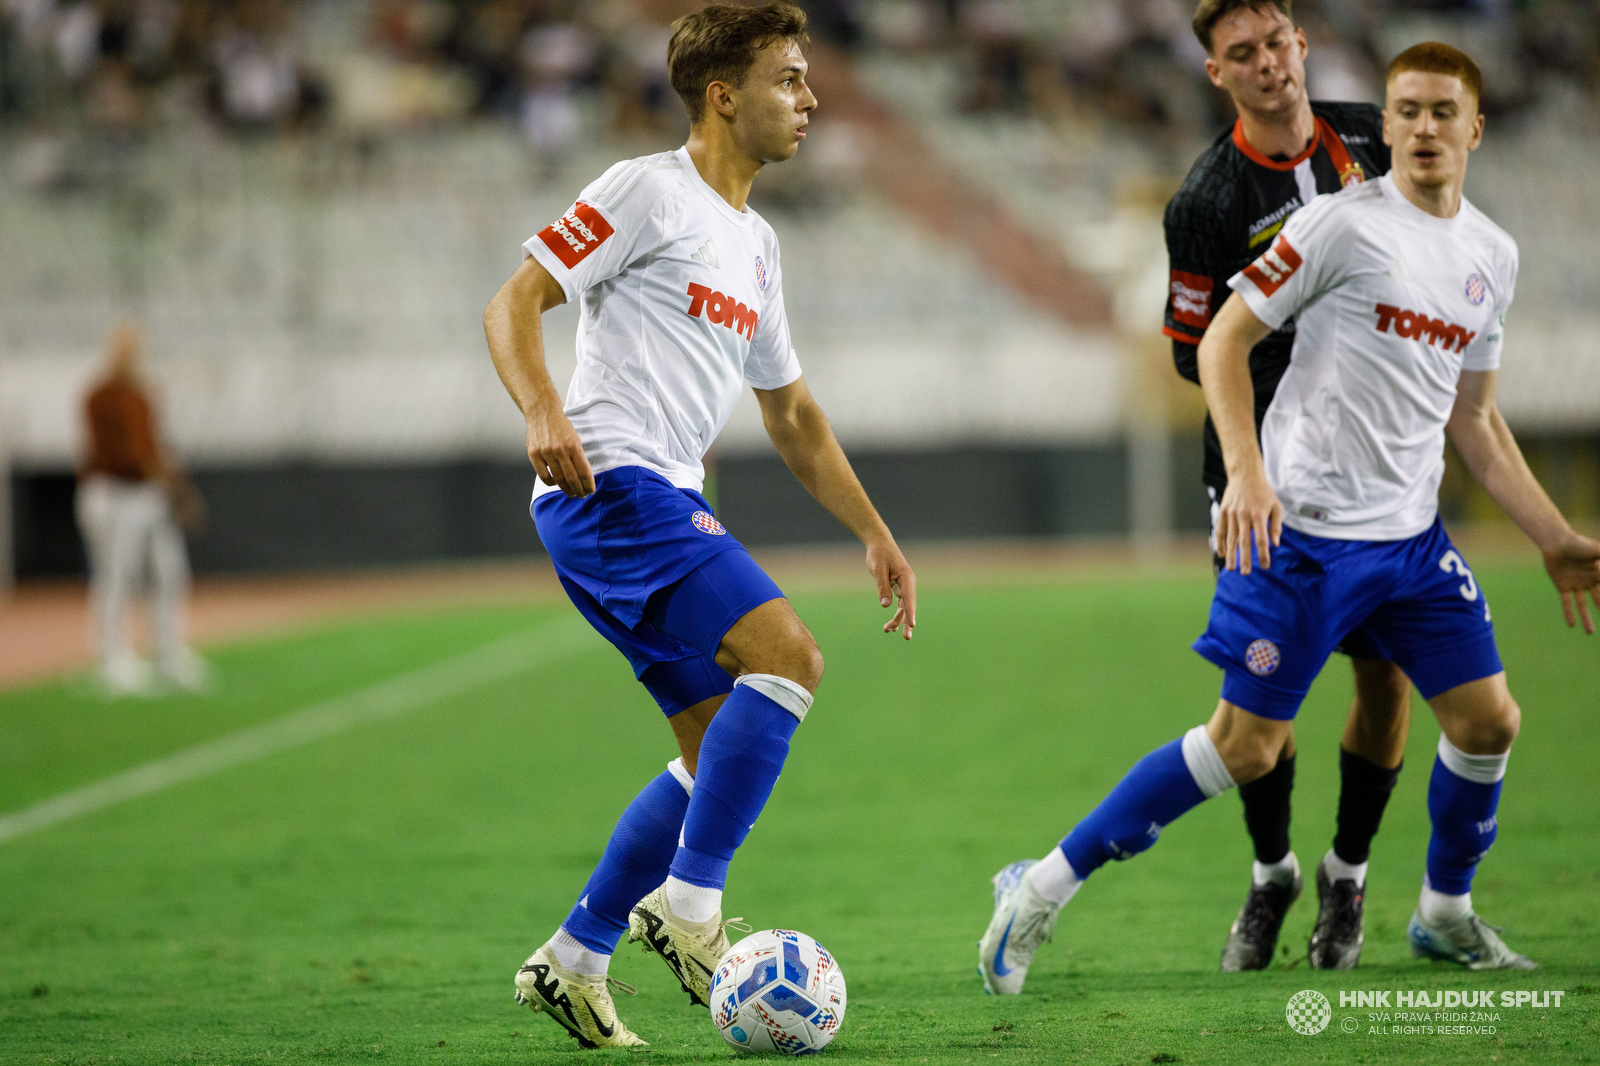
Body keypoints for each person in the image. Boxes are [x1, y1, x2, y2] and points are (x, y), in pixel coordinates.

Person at [979, 42, 1600, 993]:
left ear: (1477, 127)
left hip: (1410, 541)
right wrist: (1248, 474)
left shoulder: (1493, 256)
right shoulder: (1339, 226)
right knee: (1246, 745)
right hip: (1301, 534)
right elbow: (1226, 339)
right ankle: (1041, 886)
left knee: (1488, 721)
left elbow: (1473, 420)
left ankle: (1443, 912)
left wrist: (1552, 534)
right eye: (1407, 111)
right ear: (1383, 127)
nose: (1425, 128)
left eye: (1444, 112)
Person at [483, 2, 916, 1048]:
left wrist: (874, 530)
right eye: (788, 80)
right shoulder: (646, 189)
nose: (809, 99)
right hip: (612, 486)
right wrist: (542, 409)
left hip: (654, 498)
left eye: (808, 80)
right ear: (723, 95)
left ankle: (575, 956)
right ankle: (688, 910)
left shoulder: (757, 246)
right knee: (790, 658)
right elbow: (514, 300)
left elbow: (793, 414)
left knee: (713, 740)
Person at [1161, 0, 1401, 971]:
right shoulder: (1206, 201)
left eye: (1275, 45)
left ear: (1301, 43)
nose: (1267, 66)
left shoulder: (1374, 140)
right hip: (1258, 480)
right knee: (1262, 701)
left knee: (1384, 674)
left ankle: (1347, 875)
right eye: (1240, 55)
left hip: (1374, 471)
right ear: (1216, 74)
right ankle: (1271, 873)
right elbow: (1188, 352)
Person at [76, 322, 207, 694]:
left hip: (145, 494)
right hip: (113, 492)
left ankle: (168, 652)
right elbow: (126, 453)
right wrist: (164, 476)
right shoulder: (99, 395)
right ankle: (113, 658)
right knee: (116, 576)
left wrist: (176, 487)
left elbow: (153, 447)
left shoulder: (144, 395)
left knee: (169, 572)